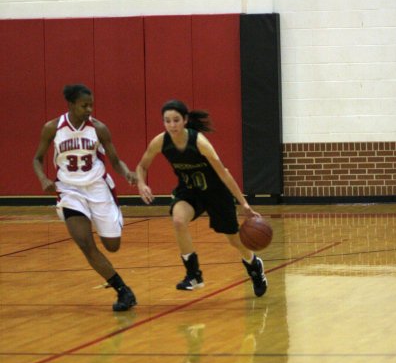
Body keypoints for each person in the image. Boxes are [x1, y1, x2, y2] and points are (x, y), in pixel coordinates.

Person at [136, 99, 267, 297]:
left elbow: (224, 173)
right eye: (167, 121)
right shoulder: (160, 142)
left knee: (234, 239)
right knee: (179, 220)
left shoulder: (199, 142)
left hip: (215, 192)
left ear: (185, 120)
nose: (172, 125)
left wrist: (244, 204)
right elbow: (142, 166)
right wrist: (141, 183)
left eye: (176, 120)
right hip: (189, 191)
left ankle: (253, 264)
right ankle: (193, 275)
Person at [33, 84, 137, 312]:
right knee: (85, 243)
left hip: (97, 188)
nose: (89, 109)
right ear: (70, 104)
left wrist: (127, 172)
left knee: (112, 246)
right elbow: (37, 158)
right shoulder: (52, 128)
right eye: (84, 105)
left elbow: (115, 161)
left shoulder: (99, 129)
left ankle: (112, 219)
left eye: (91, 105)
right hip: (70, 191)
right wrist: (43, 179)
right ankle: (123, 290)